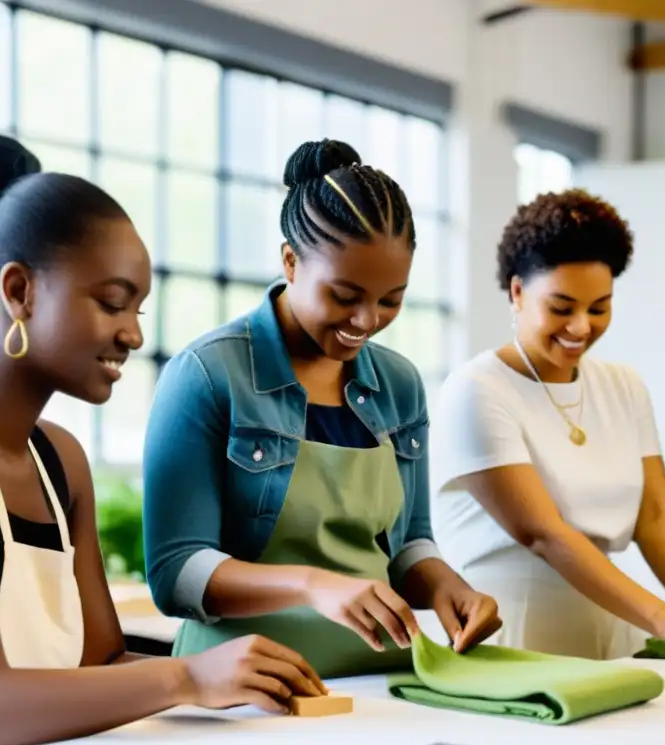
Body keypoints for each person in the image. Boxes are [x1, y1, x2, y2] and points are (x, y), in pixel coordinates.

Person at [0, 136, 327, 745]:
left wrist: (233, 677)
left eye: (138, 310)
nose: (130, 334)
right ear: (19, 291)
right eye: (112, 302)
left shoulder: (61, 463)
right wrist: (184, 675)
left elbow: (101, 664)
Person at [142, 139, 501, 678]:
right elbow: (176, 573)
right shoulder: (208, 375)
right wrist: (311, 584)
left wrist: (449, 586)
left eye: (390, 300)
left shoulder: (400, 385)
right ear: (290, 260)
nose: (366, 320)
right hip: (243, 687)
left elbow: (409, 545)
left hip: (382, 680)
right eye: (343, 295)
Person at [429, 189, 665, 661]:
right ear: (518, 292)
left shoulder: (622, 385)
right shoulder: (477, 390)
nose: (581, 327)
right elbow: (543, 533)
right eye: (561, 308)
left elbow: (655, 514)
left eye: (599, 307)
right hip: (512, 633)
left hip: (613, 623)